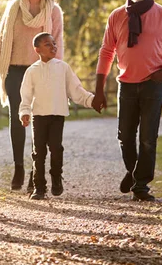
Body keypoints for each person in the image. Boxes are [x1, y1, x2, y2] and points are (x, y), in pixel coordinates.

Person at [92, 0, 162, 202]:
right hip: (126, 85)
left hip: (152, 85)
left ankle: (141, 185)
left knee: (147, 137)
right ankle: (134, 173)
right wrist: (99, 89)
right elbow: (106, 52)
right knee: (125, 136)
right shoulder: (116, 16)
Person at [0, 0, 65, 192]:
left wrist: (57, 73)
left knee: (40, 122)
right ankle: (18, 168)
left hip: (40, 71)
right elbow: (2, 39)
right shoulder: (14, 8)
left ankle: (36, 173)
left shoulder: (53, 12)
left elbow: (58, 45)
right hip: (14, 70)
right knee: (18, 119)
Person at [19, 32, 96, 200]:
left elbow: (76, 90)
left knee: (56, 148)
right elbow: (25, 94)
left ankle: (56, 177)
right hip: (38, 116)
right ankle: (39, 188)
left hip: (57, 115)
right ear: (37, 49)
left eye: (54, 43)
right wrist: (25, 112)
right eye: (48, 44)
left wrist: (91, 101)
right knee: (38, 152)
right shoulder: (31, 71)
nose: (53, 46)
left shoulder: (63, 67)